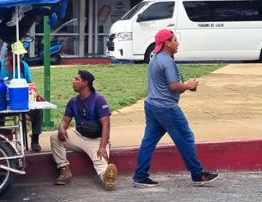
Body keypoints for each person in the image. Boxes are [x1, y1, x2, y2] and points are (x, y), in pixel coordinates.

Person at [132, 29, 219, 187]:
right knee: (186, 138)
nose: (177, 43)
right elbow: (173, 86)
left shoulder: (155, 58)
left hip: (152, 105)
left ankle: (140, 176)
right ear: (167, 43)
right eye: (174, 40)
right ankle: (197, 174)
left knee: (149, 141)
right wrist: (189, 85)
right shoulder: (167, 61)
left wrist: (185, 86)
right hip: (167, 108)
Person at [50, 69, 117, 191]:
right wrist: (62, 129)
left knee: (101, 164)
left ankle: (107, 178)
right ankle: (64, 170)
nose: (73, 82)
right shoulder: (73, 101)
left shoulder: (98, 100)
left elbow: (106, 125)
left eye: (76, 79)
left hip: (96, 140)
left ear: (85, 83)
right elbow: (65, 121)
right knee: (54, 136)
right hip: (79, 136)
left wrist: (102, 147)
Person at [0, 52, 43, 152]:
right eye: (16, 55)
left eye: (21, 55)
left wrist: (32, 98)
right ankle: (1, 140)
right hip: (2, 103)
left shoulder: (23, 66)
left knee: (38, 110)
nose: (19, 58)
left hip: (20, 102)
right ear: (9, 54)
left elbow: (29, 84)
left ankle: (35, 139)